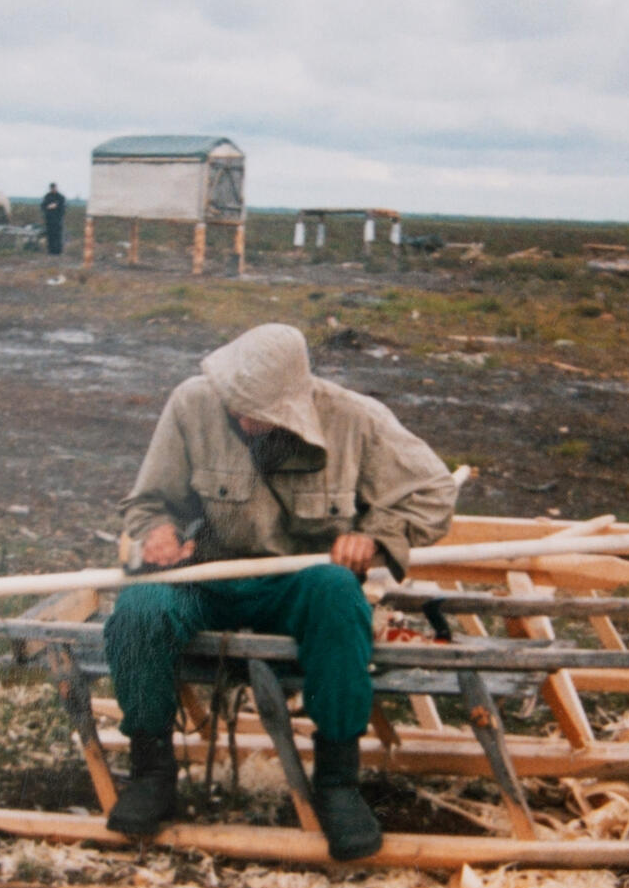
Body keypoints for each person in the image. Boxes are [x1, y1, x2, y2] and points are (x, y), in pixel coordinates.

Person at [104, 324, 458, 860]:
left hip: (303, 581)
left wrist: (377, 537)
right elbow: (150, 500)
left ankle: (338, 783)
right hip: (210, 574)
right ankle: (152, 773)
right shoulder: (192, 403)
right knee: (138, 607)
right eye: (238, 407)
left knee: (340, 596)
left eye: (261, 411)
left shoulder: (352, 417)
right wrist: (158, 530)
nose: (245, 420)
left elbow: (434, 494)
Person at [40, 182, 67, 256]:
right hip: (49, 219)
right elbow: (43, 206)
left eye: (54, 188)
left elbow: (63, 208)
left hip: (57, 220)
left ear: (56, 188)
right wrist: (48, 207)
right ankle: (51, 251)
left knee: (58, 235)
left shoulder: (60, 197)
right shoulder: (47, 196)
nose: (53, 189)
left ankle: (58, 251)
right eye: (52, 188)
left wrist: (56, 207)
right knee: (50, 235)